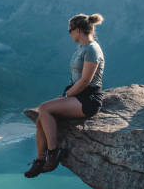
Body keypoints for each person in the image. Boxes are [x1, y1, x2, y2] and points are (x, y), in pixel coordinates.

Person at [24, 13, 105, 178]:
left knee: (44, 109)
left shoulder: (92, 50)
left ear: (78, 30)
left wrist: (66, 96)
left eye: (70, 31)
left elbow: (84, 81)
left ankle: (53, 153)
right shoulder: (82, 48)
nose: (69, 34)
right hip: (77, 95)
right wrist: (67, 95)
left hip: (88, 99)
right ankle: (40, 161)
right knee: (41, 118)